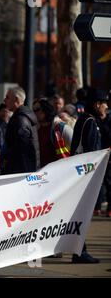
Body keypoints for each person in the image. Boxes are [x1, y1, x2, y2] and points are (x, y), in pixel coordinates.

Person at [69, 88, 108, 264]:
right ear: (96, 104)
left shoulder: (85, 120)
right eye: (104, 103)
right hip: (85, 177)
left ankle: (79, 250)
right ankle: (79, 252)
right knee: (82, 214)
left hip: (79, 175)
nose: (106, 107)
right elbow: (91, 154)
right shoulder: (90, 122)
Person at [2, 87, 40, 174]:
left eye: (7, 97)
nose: (4, 100)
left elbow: (21, 151)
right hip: (23, 170)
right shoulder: (21, 117)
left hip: (20, 173)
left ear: (16, 99)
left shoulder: (20, 120)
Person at [32, 98, 72, 167]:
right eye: (33, 110)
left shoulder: (61, 128)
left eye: (37, 109)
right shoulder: (35, 130)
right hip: (41, 174)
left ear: (45, 110)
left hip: (60, 172)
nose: (34, 113)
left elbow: (76, 149)